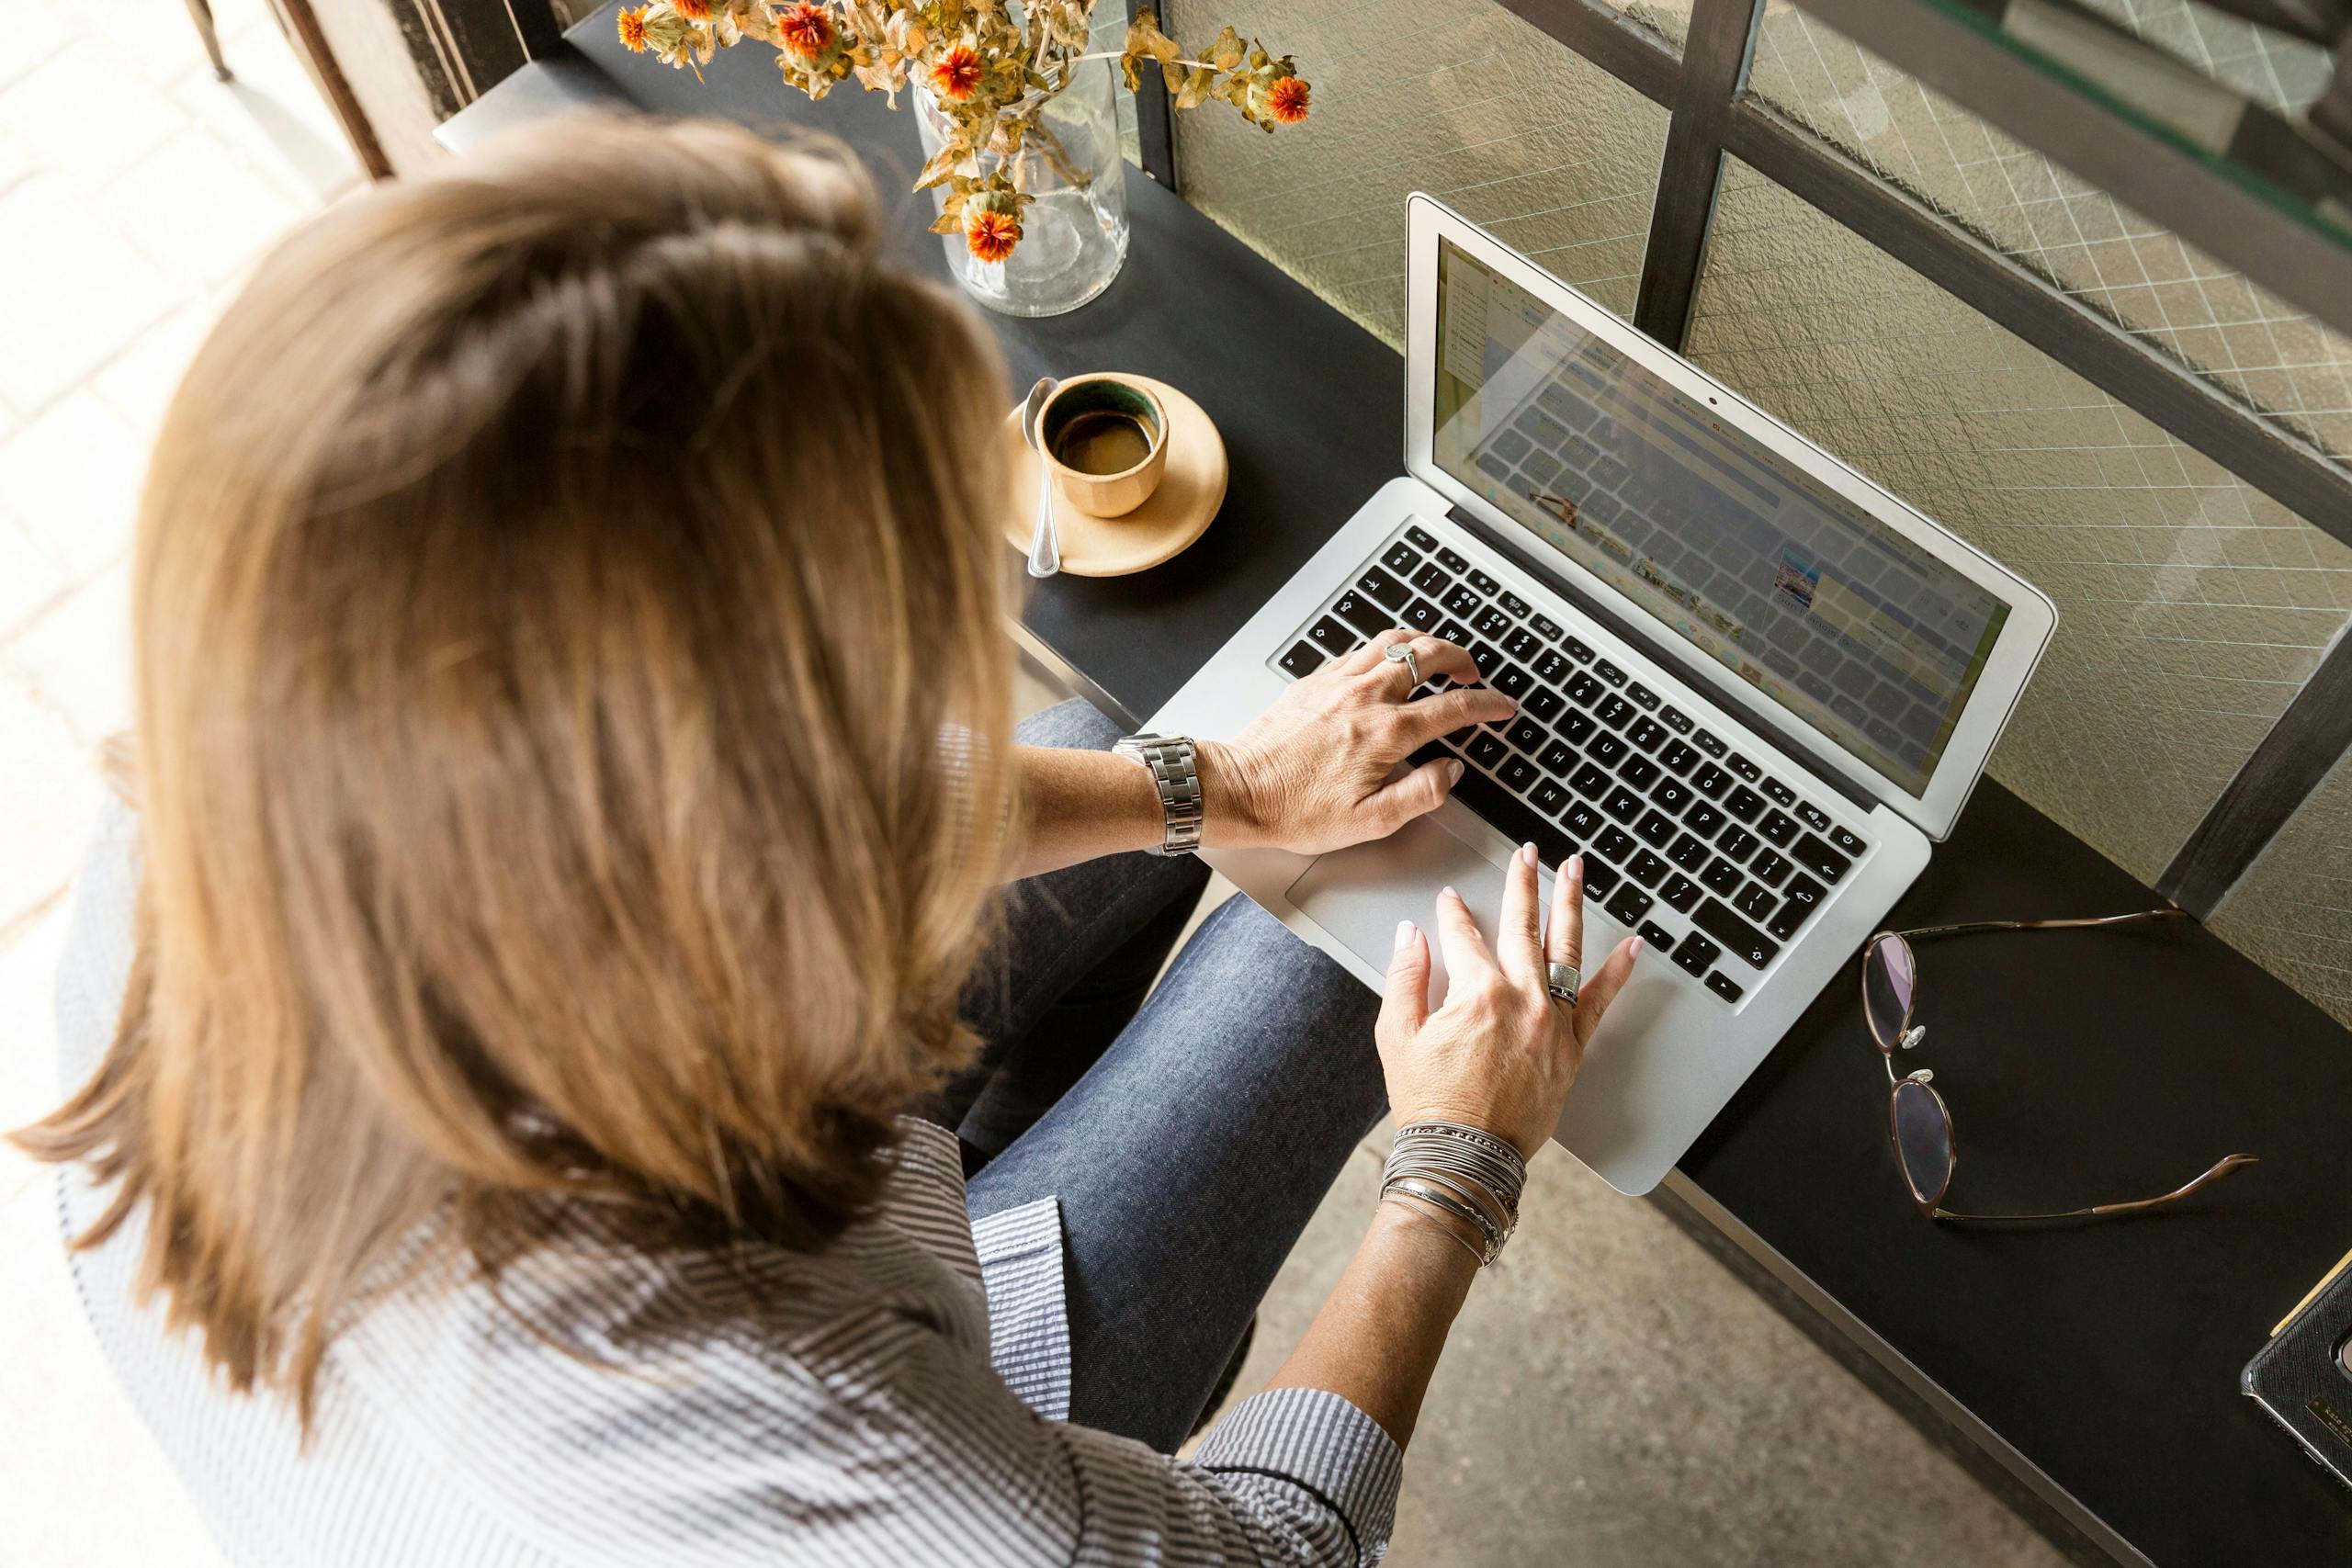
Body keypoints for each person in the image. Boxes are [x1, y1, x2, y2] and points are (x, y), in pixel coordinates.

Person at [12, 115, 1640, 1566]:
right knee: (1356, 960)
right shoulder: (792, 1430)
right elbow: (1257, 1552)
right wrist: (1456, 1172)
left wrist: (1213, 785)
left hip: (727, 1196)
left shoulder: (215, 772)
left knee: (1168, 776)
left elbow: (823, 800)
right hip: (907, 1396)